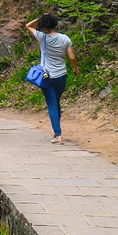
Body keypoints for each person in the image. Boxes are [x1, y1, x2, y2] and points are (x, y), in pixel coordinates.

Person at [25, 14, 80, 144]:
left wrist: (40, 18)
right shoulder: (65, 39)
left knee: (52, 104)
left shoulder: (42, 37)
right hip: (62, 75)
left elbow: (28, 25)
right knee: (56, 101)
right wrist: (76, 69)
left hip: (47, 76)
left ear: (44, 26)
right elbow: (72, 57)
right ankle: (56, 130)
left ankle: (58, 134)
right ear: (56, 24)